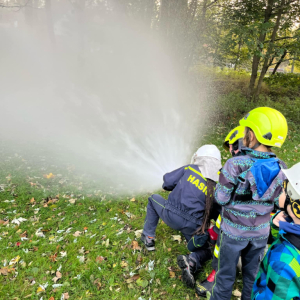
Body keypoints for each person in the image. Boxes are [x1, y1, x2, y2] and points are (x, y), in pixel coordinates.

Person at [209, 107, 288, 300]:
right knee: (252, 278)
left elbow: (221, 198)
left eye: (245, 131)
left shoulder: (235, 164)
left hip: (233, 233)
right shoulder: (282, 167)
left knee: (225, 277)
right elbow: (279, 201)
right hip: (260, 233)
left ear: (251, 135)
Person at [140, 145, 222, 288]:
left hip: (171, 215)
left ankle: (148, 238)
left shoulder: (189, 169)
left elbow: (167, 182)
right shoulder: (216, 187)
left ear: (198, 157)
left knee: (153, 199)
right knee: (207, 249)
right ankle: (192, 261)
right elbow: (216, 213)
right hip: (193, 226)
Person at [196, 125, 245, 297]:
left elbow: (225, 204)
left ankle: (216, 276)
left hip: (243, 244)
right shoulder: (274, 164)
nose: (230, 150)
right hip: (263, 240)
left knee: (224, 240)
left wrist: (214, 232)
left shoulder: (234, 170)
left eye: (232, 146)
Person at [252, 162, 300, 300]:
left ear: (296, 208)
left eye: (285, 188)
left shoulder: (283, 264)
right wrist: (275, 227)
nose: (281, 191)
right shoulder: (291, 224)